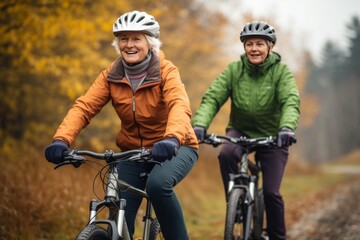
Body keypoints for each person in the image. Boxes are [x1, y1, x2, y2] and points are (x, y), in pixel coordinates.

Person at [44, 10, 198, 240]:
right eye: (123, 39)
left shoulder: (166, 71)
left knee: (157, 186)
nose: (129, 44)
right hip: (132, 151)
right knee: (119, 208)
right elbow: (84, 107)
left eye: (136, 38)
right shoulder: (111, 75)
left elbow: (179, 105)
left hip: (177, 145)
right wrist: (61, 140)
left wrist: (172, 138)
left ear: (150, 43)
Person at [192, 21, 300, 240]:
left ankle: (277, 237)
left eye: (259, 44)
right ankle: (236, 204)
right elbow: (213, 97)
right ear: (244, 47)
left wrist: (286, 128)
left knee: (271, 192)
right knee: (225, 154)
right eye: (249, 44)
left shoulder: (281, 72)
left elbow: (290, 100)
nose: (254, 49)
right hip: (239, 131)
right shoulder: (234, 70)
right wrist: (200, 124)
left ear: (270, 47)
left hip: (273, 136)